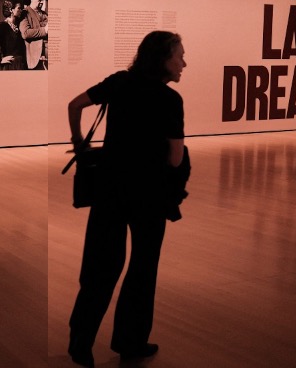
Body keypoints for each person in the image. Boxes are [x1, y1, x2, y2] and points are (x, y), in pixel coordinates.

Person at [66, 31, 189, 368]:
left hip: (109, 187)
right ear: (162, 59)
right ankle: (130, 342)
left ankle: (80, 342)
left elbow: (74, 105)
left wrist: (79, 142)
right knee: (142, 268)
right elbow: (176, 158)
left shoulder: (119, 82)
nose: (184, 63)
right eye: (179, 56)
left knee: (100, 267)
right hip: (149, 194)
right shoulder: (169, 99)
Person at [20, 0, 48, 70]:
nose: (42, 2)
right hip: (35, 58)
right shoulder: (25, 13)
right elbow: (25, 33)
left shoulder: (45, 14)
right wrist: (45, 30)